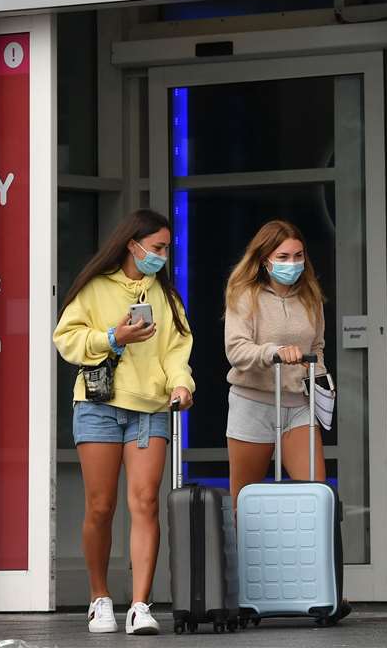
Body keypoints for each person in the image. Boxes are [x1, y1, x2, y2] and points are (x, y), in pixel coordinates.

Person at [54, 208, 195, 636]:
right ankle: (100, 599)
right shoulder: (95, 288)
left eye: (167, 248)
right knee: (100, 506)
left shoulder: (167, 297)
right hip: (98, 405)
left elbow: (176, 349)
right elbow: (66, 339)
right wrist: (113, 337)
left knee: (146, 502)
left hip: (150, 408)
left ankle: (140, 604)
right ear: (132, 245)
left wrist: (182, 384)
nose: (162, 255)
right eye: (156, 247)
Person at [223, 219, 351, 622]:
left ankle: (325, 592)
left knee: (317, 494)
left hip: (298, 401)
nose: (292, 264)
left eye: (297, 256)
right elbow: (236, 349)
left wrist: (321, 384)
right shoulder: (244, 294)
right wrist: (273, 352)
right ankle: (241, 595)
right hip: (253, 401)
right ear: (264, 260)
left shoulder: (310, 296)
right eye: (282, 257)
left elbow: (318, 347)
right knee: (244, 500)